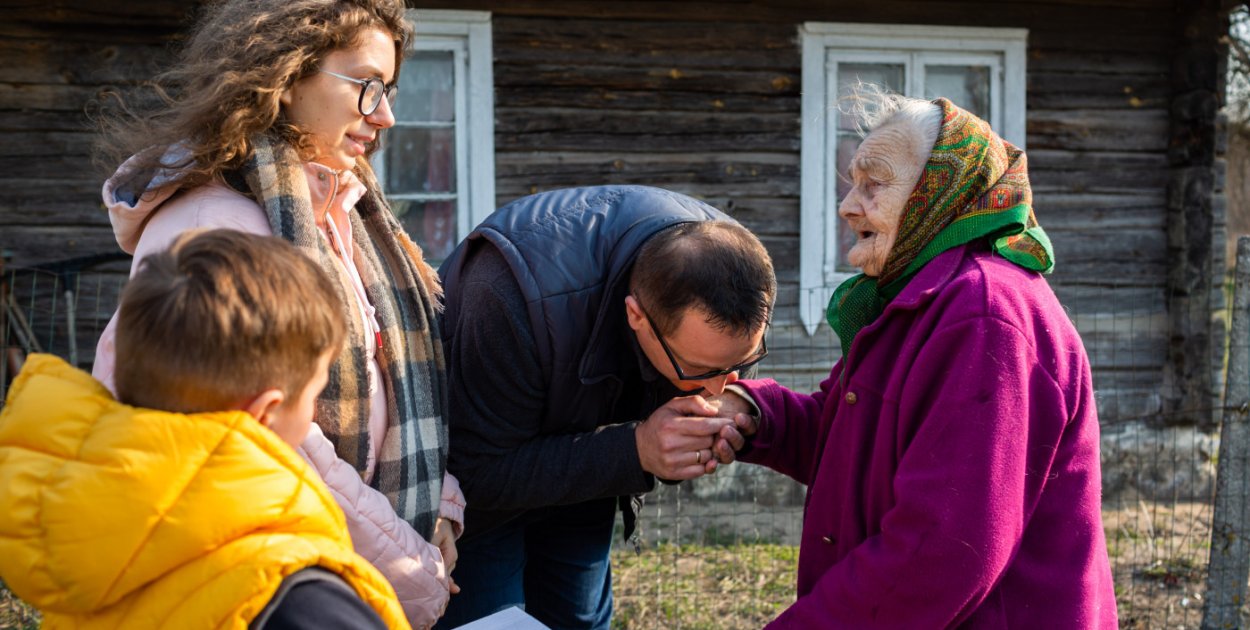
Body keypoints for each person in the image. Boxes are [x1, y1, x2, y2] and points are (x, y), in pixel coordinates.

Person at [90, 1, 460, 626]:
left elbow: (387, 382)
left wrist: (439, 505)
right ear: (285, 78)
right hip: (264, 586)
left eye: (389, 91)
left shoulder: (336, 207)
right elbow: (271, 442)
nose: (387, 115)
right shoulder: (215, 229)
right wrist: (408, 564)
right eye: (368, 87)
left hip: (332, 559)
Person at [712, 92, 1119, 627]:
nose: (848, 206)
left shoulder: (983, 314)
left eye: (873, 183)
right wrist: (749, 412)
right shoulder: (920, 299)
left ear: (940, 192)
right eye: (852, 184)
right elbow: (852, 438)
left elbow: (941, 551)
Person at [0, 230, 409, 628]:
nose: (315, 407)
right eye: (315, 390)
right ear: (266, 412)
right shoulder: (295, 598)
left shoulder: (86, 560)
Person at [435, 184, 776, 629]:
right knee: (494, 618)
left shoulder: (739, 266)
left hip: (586, 479)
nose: (720, 387)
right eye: (700, 368)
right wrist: (636, 450)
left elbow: (723, 377)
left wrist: (730, 412)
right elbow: (477, 472)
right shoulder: (506, 296)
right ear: (637, 316)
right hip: (476, 503)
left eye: (742, 362)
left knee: (578, 620)